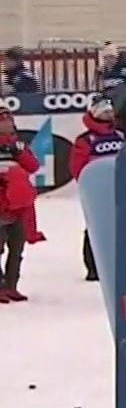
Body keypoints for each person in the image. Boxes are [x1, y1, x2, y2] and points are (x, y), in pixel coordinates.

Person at [72, 95, 125, 281]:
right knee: (95, 227)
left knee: (121, 225)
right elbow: (77, 167)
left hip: (121, 188)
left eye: (110, 111)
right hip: (97, 191)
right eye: (104, 111)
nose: (108, 114)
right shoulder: (86, 140)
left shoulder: (121, 135)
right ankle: (93, 267)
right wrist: (89, 186)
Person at [0, 107, 43, 304]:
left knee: (17, 247)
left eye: (9, 122)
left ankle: (11, 286)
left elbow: (33, 166)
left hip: (19, 204)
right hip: (2, 203)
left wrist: (19, 152)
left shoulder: (18, 145)